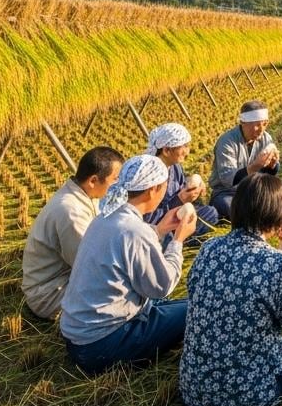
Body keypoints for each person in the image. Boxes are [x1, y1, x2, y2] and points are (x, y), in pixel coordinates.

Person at [180, 174, 282, 406]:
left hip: (195, 392)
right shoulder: (278, 264)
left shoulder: (207, 249)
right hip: (253, 398)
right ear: (278, 218)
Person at [60, 154, 196, 375]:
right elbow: (161, 286)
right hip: (101, 346)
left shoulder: (106, 217)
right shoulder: (134, 230)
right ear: (153, 190)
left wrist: (160, 230)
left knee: (178, 305)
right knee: (195, 310)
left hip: (78, 337)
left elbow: (129, 246)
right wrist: (178, 240)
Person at [22, 146, 124, 320]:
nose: (118, 185)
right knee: (122, 297)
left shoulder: (85, 196)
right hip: (50, 294)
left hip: (63, 280)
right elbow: (89, 266)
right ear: (93, 180)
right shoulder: (71, 211)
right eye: (115, 179)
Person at [209, 101, 282, 220]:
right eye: (256, 125)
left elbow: (269, 174)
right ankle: (262, 213)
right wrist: (255, 166)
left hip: (256, 188)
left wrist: (272, 165)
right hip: (230, 192)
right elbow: (228, 180)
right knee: (227, 205)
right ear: (243, 123)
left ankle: (259, 212)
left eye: (264, 124)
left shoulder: (266, 137)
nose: (261, 130)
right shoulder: (227, 142)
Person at [141, 123, 219, 239]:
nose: (187, 152)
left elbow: (181, 186)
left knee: (211, 213)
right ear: (167, 150)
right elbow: (148, 217)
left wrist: (192, 187)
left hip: (178, 213)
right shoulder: (149, 175)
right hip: (157, 224)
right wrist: (180, 200)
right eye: (184, 147)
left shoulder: (175, 166)